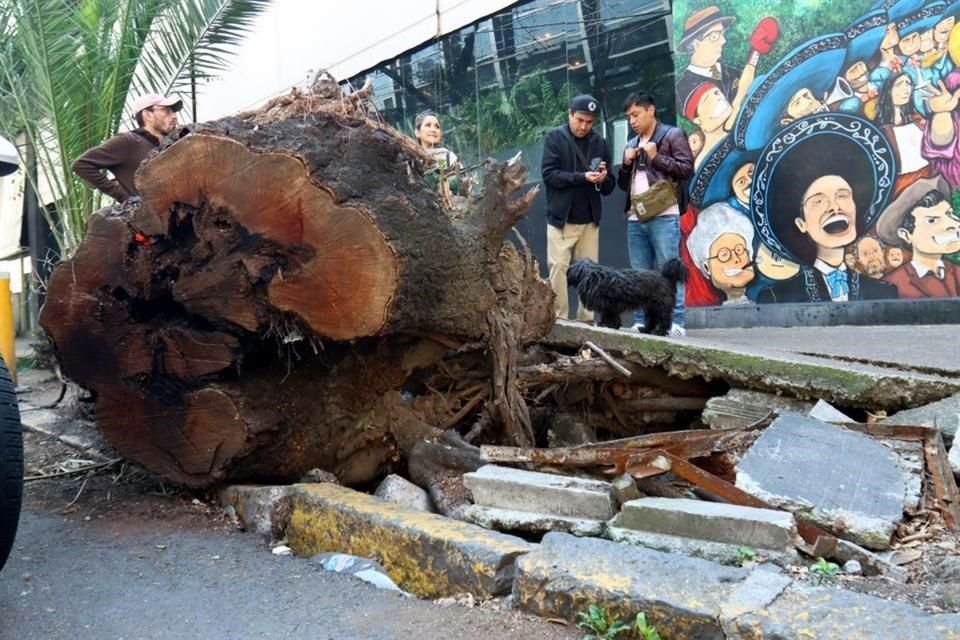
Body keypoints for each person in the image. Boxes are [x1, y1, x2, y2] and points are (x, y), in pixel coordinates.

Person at [617, 91, 694, 335]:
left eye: (636, 114)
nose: (632, 120)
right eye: (629, 116)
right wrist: (627, 164)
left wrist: (656, 157)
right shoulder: (630, 144)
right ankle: (642, 321)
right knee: (640, 273)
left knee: (668, 268)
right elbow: (622, 184)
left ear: (651, 110)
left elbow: (686, 169)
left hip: (664, 214)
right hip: (634, 216)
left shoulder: (671, 134)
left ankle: (676, 321)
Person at [541, 94, 615, 322]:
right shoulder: (554, 138)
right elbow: (549, 175)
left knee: (590, 274)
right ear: (570, 114)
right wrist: (582, 177)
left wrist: (602, 178)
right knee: (558, 270)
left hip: (590, 220)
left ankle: (586, 321)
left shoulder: (599, 143)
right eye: (579, 120)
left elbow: (609, 186)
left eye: (589, 122)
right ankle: (560, 321)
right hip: (561, 219)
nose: (583, 126)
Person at [72, 93, 182, 202]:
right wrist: (124, 197)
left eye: (173, 111)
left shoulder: (172, 144)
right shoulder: (128, 141)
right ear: (148, 115)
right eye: (167, 111)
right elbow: (81, 164)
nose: (174, 116)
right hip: (151, 217)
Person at [877, 176, 960, 298]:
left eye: (949, 214)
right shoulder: (892, 283)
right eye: (932, 220)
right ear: (906, 235)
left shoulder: (956, 272)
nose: (952, 224)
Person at [413, 110, 464, 196]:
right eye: (428, 125)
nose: (433, 129)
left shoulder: (446, 156)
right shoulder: (411, 158)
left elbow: (463, 180)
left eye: (437, 127)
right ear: (417, 132)